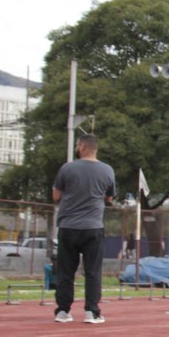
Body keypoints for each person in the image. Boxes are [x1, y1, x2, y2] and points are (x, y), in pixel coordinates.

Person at [51, 133, 115, 324]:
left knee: (65, 272)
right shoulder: (107, 170)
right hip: (93, 226)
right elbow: (109, 197)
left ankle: (63, 311)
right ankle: (92, 312)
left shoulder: (67, 168)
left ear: (82, 147)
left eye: (77, 145)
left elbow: (55, 196)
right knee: (93, 271)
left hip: (68, 226)